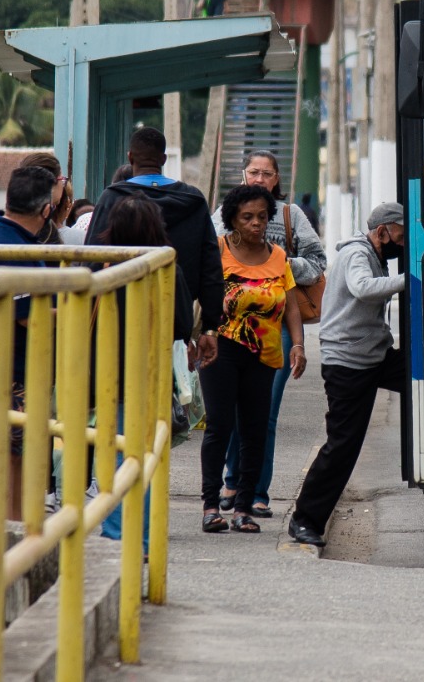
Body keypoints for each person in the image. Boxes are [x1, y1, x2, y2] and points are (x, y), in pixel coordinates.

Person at [211, 150, 327, 518]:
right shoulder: (223, 216)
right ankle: (231, 482)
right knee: (227, 412)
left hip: (276, 329)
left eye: (267, 173)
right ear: (244, 176)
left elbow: (319, 263)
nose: (260, 179)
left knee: (264, 415)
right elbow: (212, 260)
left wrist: (275, 263)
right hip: (230, 330)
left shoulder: (293, 216)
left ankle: (257, 490)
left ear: (277, 179)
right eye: (253, 172)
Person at [288, 202, 406, 547]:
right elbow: (362, 287)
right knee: (343, 445)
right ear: (382, 232)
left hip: (375, 355)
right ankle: (304, 520)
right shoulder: (358, 254)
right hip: (349, 364)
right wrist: (413, 278)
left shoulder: (376, 252)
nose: (403, 242)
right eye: (400, 234)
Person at [200, 185, 307, 533]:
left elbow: (291, 304)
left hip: (265, 352)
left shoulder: (278, 257)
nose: (256, 224)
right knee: (219, 425)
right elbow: (202, 295)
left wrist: (298, 346)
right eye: (248, 217)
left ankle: (244, 507)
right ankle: (211, 505)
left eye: (262, 216)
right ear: (232, 219)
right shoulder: (217, 250)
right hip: (222, 347)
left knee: (255, 430)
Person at [94, 193, 196, 552]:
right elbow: (183, 325)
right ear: (157, 227)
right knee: (149, 454)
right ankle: (147, 536)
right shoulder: (167, 266)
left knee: (115, 449)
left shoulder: (102, 268)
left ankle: (115, 533)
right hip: (151, 373)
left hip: (109, 373)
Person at [86, 127, 221, 370]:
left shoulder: (112, 198)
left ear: (130, 158)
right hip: (173, 320)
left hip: (117, 317)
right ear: (163, 159)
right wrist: (210, 327)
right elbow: (211, 268)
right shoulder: (194, 200)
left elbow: (93, 259)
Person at [0, 165, 57, 521]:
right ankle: (16, 527)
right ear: (45, 211)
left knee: (14, 453)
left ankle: (15, 524)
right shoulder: (18, 252)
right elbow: (31, 316)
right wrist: (84, 305)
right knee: (19, 453)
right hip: (17, 370)